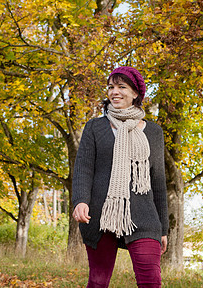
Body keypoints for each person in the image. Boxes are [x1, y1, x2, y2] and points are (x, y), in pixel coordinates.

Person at [72, 66, 169, 288]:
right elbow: (83, 169)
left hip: (144, 216)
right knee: (98, 281)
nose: (114, 92)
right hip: (100, 214)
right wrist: (80, 201)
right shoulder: (95, 127)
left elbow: (158, 181)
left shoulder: (154, 133)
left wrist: (163, 228)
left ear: (135, 93)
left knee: (151, 281)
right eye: (111, 87)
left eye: (121, 87)